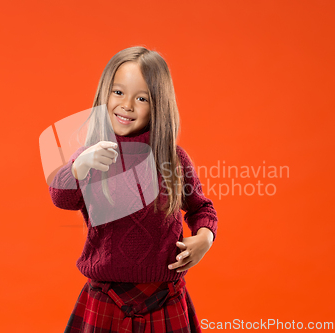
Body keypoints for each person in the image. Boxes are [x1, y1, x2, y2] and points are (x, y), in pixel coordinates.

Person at [48, 46, 218, 333]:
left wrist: (205, 238)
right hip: (105, 298)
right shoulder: (93, 155)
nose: (127, 105)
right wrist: (80, 166)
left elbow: (202, 208)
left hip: (166, 297)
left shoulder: (172, 158)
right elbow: (62, 197)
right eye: (118, 93)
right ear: (104, 94)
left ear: (158, 105)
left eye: (141, 98)